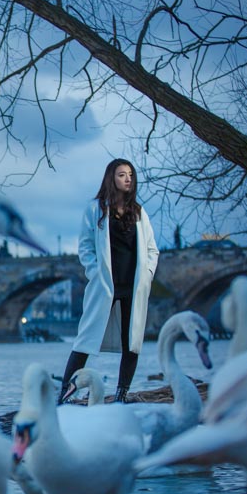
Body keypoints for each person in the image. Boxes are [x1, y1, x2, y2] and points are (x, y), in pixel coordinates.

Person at [59, 158, 159, 403]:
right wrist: (95, 272)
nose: (127, 179)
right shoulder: (96, 209)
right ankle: (63, 394)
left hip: (133, 286)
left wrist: (146, 275)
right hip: (105, 284)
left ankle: (121, 394)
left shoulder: (139, 213)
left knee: (132, 343)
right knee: (85, 339)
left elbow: (152, 249)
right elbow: (85, 246)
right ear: (111, 179)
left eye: (131, 175)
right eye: (122, 175)